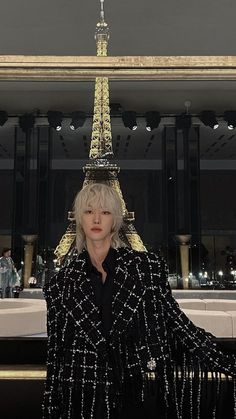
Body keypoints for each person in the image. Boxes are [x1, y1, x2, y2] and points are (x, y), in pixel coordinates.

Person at [42, 183, 236, 419]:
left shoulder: (146, 269)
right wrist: (51, 407)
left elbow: (178, 324)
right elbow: (55, 354)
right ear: (79, 220)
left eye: (105, 212)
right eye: (88, 211)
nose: (96, 219)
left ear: (115, 220)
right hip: (82, 399)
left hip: (138, 396)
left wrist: (223, 361)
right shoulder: (60, 285)